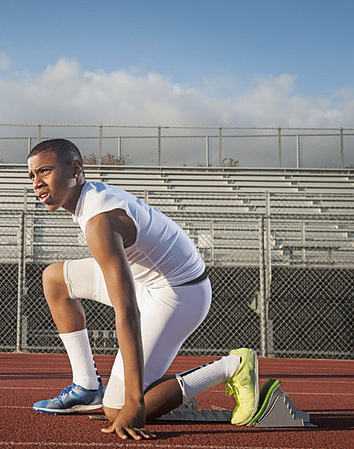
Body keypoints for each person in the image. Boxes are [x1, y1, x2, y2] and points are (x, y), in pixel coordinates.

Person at [27, 139, 259, 441]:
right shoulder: (88, 199)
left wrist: (135, 401)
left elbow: (127, 311)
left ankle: (232, 366)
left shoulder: (100, 221)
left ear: (76, 169)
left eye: (44, 171)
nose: (37, 183)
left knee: (118, 409)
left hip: (179, 293)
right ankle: (86, 386)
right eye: (31, 175)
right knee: (55, 279)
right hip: (148, 280)